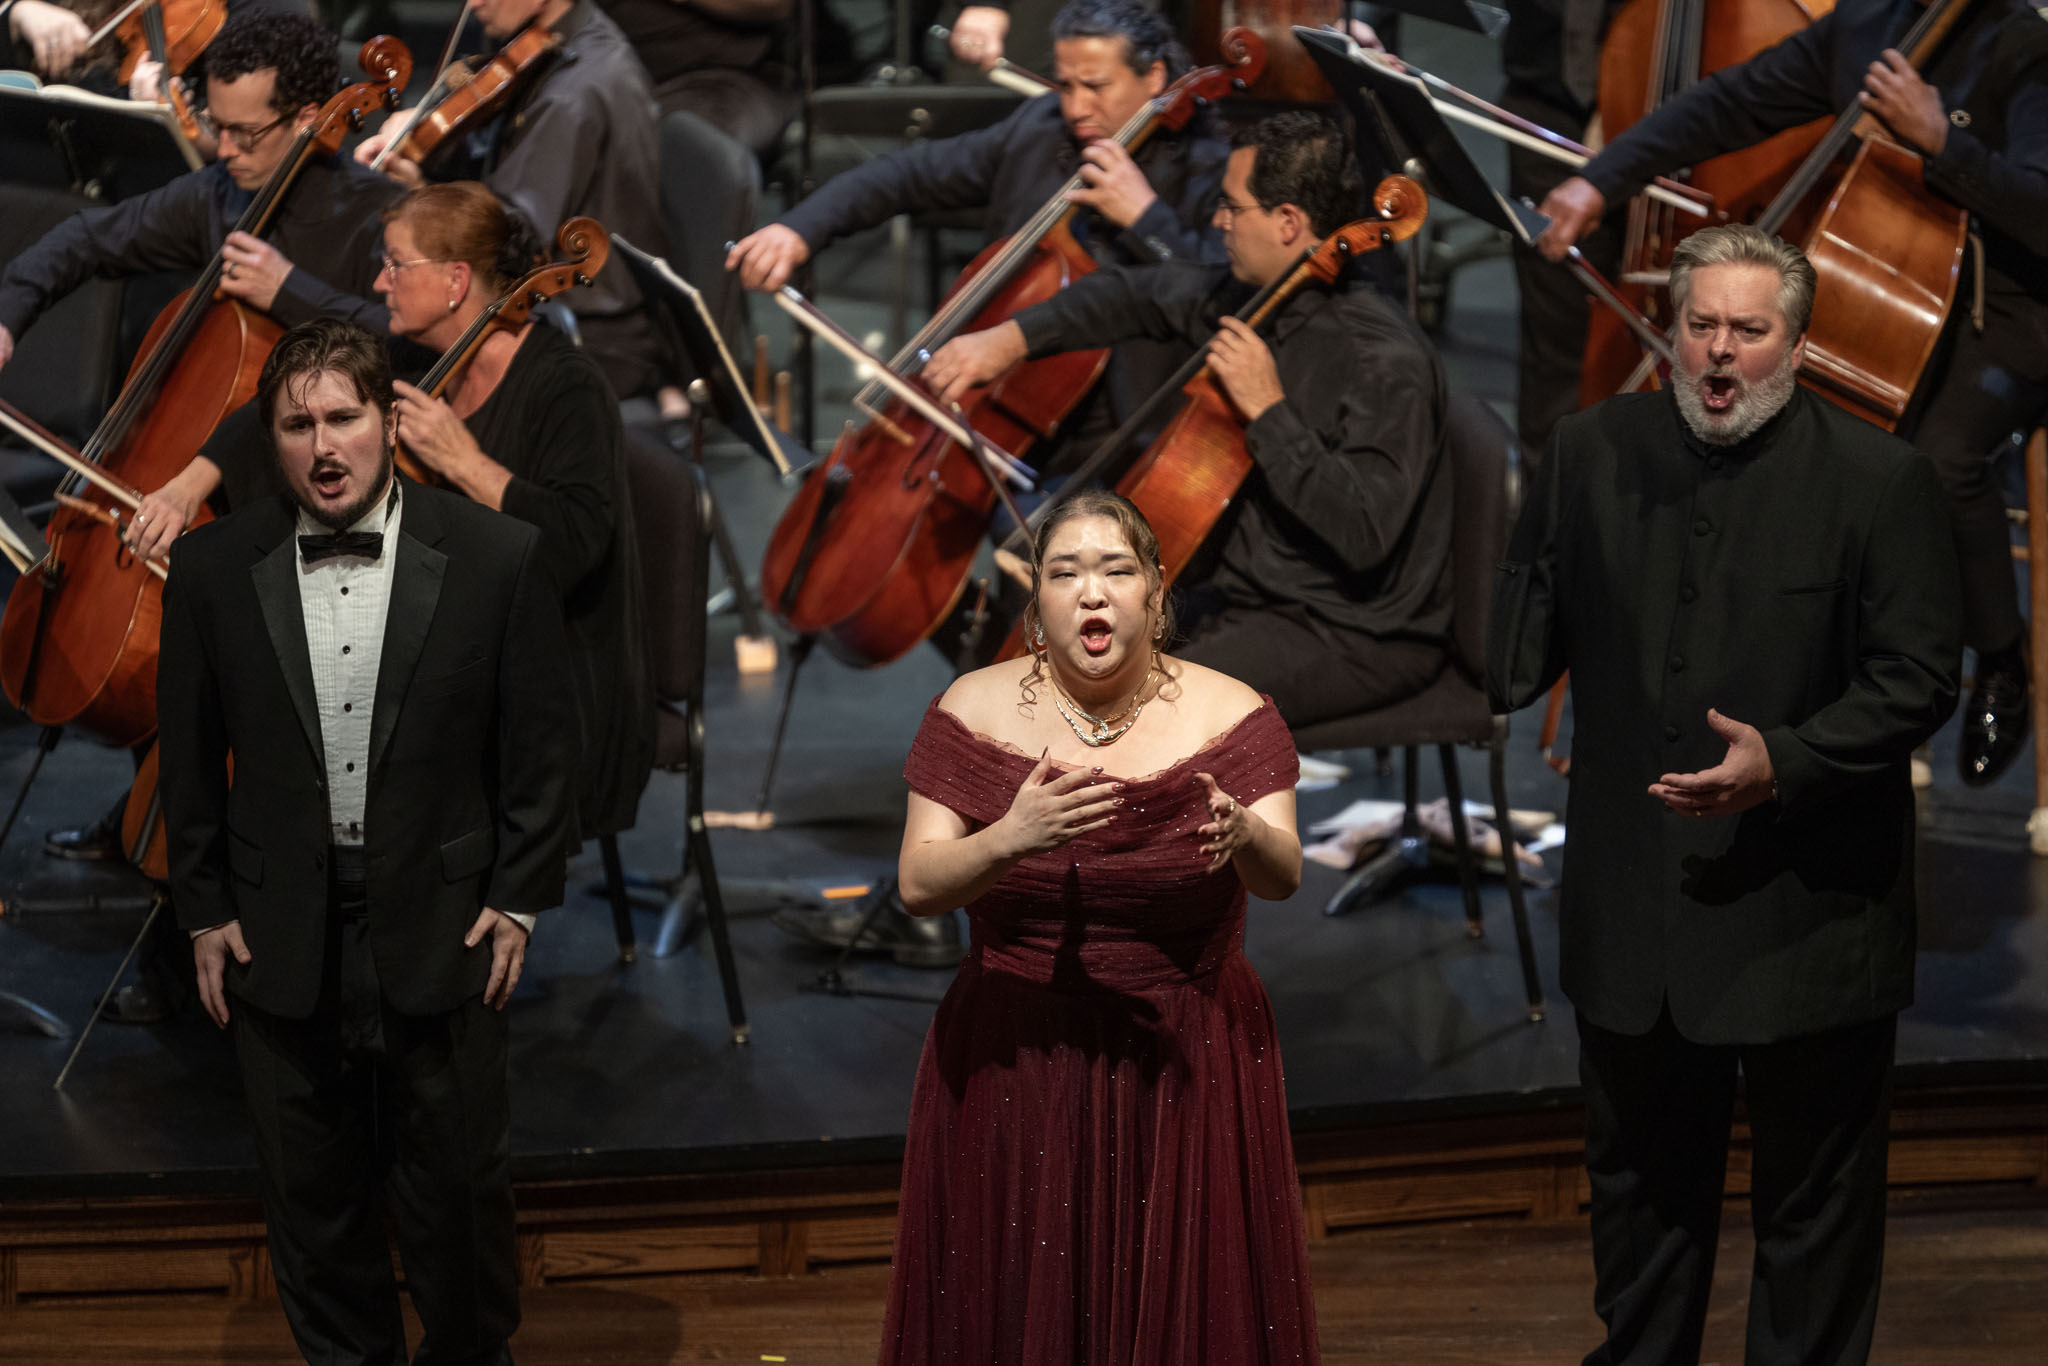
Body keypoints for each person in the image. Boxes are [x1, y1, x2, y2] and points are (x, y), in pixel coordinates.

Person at [1487, 225, 1962, 1366]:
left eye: (1747, 330)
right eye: (1699, 324)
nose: (1718, 351)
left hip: (1808, 913)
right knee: (1639, 1201)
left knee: (1814, 1215)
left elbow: (1916, 679)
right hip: (1633, 916)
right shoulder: (1589, 450)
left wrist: (1784, 760)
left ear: (1794, 345)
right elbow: (1516, 649)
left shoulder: (1878, 480)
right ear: (1671, 329)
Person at [157, 317, 577, 1365]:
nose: (323, 446)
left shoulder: (494, 554)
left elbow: (541, 747)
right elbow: (187, 756)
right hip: (278, 928)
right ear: (270, 439)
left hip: (445, 919)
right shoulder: (211, 565)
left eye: (343, 418)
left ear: (389, 421)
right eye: (297, 426)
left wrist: (519, 894)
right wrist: (202, 907)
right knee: (313, 1207)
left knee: (458, 1200)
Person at [1533, 0, 2048, 786]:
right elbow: (1729, 102)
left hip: (2006, 307)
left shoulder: (2025, 45)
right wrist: (1599, 181)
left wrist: (1946, 142)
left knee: (1941, 461)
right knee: (1770, 433)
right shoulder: (1870, 23)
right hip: (1889, 288)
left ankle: (2003, 655)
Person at [886, 488, 1316, 1364]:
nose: (1092, 592)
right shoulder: (971, 708)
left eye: (1117, 570)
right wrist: (1010, 838)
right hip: (1016, 1056)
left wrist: (1246, 837)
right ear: (1035, 602)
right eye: (1065, 573)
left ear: (1156, 592)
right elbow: (918, 886)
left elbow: (1285, 878)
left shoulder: (1233, 714)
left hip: (1186, 1054)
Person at [0, 6, 402, 872]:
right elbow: (85, 241)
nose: (223, 149)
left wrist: (290, 291)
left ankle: (218, 851)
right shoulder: (222, 193)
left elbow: (405, 344)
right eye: (216, 125)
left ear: (308, 119)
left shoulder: (376, 216)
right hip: (211, 486)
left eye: (245, 133)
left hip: (320, 507)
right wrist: (8, 314)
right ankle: (156, 815)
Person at [925, 109, 1451, 728]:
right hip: (1245, 592)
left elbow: (1364, 531)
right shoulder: (1257, 297)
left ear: (1288, 222)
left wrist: (1268, 410)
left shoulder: (1382, 360)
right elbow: (1133, 294)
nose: (1218, 220)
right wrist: (1010, 339)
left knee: (1126, 713)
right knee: (1056, 674)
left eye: (1233, 206)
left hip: (1347, 628)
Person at [726, 0, 1229, 478]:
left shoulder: (1208, 166)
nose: (1077, 107)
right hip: (996, 405)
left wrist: (1145, 218)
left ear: (1154, 77)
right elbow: (909, 174)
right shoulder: (1042, 127)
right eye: (1065, 84)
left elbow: (1222, 296)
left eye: (1096, 86)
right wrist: (799, 228)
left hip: (1129, 432)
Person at [373, 181, 655, 840]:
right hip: (460, 663)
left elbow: (575, 545)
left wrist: (465, 463)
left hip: (554, 690)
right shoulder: (414, 362)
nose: (380, 281)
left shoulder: (566, 386)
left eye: (395, 264)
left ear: (455, 281)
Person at [353, 0, 669, 404]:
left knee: (368, 349)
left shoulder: (573, 92)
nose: (473, 3)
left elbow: (507, 244)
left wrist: (420, 193)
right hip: (563, 308)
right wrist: (422, 125)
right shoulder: (557, 39)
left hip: (585, 333)